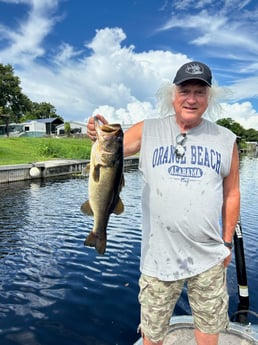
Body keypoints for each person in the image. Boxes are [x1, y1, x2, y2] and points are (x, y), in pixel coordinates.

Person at [87, 61, 240, 345]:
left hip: (208, 255)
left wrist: (227, 241)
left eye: (200, 92)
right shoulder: (149, 130)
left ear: (209, 98)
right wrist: (98, 133)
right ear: (172, 95)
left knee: (209, 328)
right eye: (185, 90)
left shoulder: (226, 140)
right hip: (158, 257)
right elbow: (112, 152)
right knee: (153, 333)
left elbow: (232, 194)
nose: (191, 99)